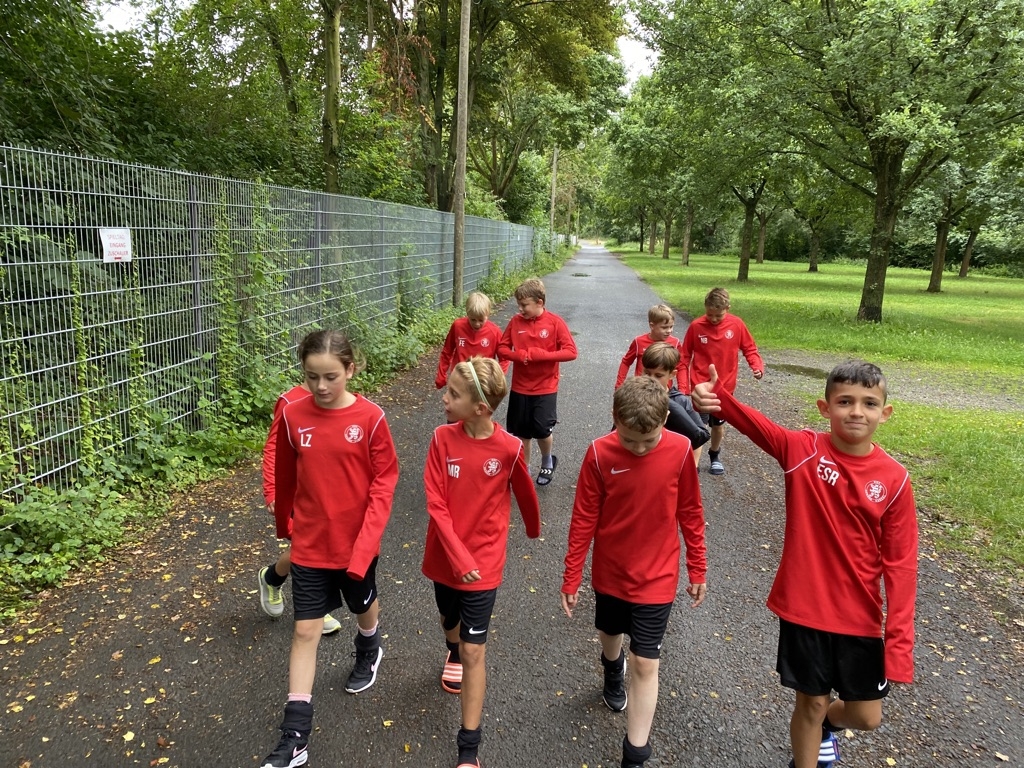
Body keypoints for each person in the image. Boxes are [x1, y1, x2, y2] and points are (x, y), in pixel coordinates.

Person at [691, 361, 917, 768]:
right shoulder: (803, 450)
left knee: (867, 717)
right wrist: (717, 397)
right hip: (805, 608)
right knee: (811, 703)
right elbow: (759, 426)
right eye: (844, 401)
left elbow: (901, 566)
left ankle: (830, 724)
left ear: (885, 413)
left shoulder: (895, 479)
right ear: (824, 407)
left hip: (860, 615)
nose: (856, 411)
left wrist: (899, 644)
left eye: (869, 403)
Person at [259, 330, 400, 768]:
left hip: (356, 544)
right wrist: (286, 526)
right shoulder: (293, 415)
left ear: (350, 369)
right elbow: (285, 473)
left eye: (331, 377)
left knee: (362, 604)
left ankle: (369, 645)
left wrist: (366, 544)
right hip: (310, 545)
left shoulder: (371, 418)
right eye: (312, 376)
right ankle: (295, 736)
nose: (320, 386)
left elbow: (385, 481)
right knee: (305, 631)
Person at [561, 376, 708, 768]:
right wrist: (571, 575)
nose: (639, 449)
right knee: (610, 633)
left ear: (665, 421)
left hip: (658, 576)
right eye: (630, 441)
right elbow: (583, 519)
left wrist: (697, 566)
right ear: (614, 419)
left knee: (645, 662)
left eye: (649, 440)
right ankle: (612, 667)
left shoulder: (680, 451)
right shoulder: (599, 453)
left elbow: (690, 511)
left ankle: (635, 754)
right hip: (611, 571)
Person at [422, 356, 542, 768]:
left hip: (483, 564)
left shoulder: (509, 448)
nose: (445, 398)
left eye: (453, 394)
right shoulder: (441, 439)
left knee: (475, 650)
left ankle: (468, 748)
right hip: (444, 556)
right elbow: (436, 503)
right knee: (448, 619)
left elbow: (524, 490)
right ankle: (451, 650)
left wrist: (532, 528)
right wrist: (456, 556)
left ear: (480, 408)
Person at [257, 380, 341, 635]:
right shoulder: (290, 401)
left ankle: (272, 577)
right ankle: (317, 608)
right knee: (313, 548)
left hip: (329, 491)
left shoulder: (339, 400)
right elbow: (273, 448)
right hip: (297, 494)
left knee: (312, 547)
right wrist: (272, 490)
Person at [497, 277, 578, 486]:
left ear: (539, 302)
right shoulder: (515, 322)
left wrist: (543, 356)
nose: (520, 309)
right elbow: (502, 349)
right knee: (522, 433)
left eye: (524, 305)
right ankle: (524, 469)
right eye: (519, 304)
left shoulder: (555, 322)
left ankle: (547, 459)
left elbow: (571, 352)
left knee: (542, 430)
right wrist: (518, 355)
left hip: (546, 387)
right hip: (520, 387)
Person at [678, 287, 764, 475]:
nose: (714, 319)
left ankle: (714, 455)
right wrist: (684, 388)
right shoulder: (696, 326)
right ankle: (693, 464)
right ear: (705, 308)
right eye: (710, 314)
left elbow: (749, 349)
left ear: (727, 309)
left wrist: (756, 366)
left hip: (724, 388)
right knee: (698, 425)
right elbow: (684, 358)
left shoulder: (737, 325)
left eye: (719, 315)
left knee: (717, 425)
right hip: (700, 386)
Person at [640, 342, 710, 455]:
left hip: (671, 457)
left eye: (658, 375)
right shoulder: (634, 395)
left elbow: (700, 437)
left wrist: (664, 401)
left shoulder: (680, 401)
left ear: (672, 374)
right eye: (647, 373)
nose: (651, 379)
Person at [435, 291, 508, 392]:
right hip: (459, 377)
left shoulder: (494, 332)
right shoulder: (458, 326)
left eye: (481, 320)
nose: (477, 324)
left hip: (482, 381)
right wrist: (441, 374)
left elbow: (504, 358)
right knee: (455, 402)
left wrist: (497, 379)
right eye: (473, 319)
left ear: (487, 314)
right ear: (467, 313)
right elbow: (447, 351)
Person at [615, 303, 684, 389]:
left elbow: (681, 366)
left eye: (671, 327)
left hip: (664, 391)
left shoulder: (675, 343)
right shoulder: (639, 341)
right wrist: (619, 385)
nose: (669, 331)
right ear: (652, 326)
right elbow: (626, 362)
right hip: (641, 389)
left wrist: (682, 389)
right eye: (664, 327)